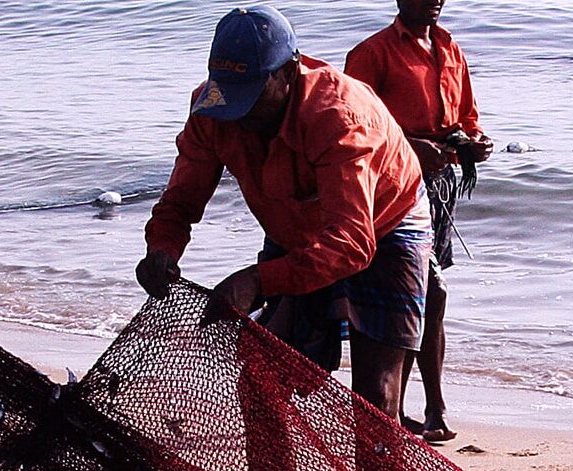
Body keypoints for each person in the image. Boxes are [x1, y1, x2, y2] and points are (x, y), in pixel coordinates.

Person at [137, 5, 430, 425]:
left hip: (385, 222)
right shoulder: (214, 108)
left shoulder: (339, 117)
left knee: (374, 396)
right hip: (295, 225)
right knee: (259, 381)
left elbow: (351, 243)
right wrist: (162, 249)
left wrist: (258, 280)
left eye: (252, 95)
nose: (238, 114)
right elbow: (181, 200)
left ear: (289, 73)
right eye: (230, 93)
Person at [346, 0, 493, 444]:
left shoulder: (449, 47)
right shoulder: (373, 53)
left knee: (427, 294)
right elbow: (352, 128)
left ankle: (422, 407)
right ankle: (424, 407)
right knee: (428, 293)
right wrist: (410, 146)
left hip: (441, 183)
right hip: (392, 185)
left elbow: (466, 115)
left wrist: (474, 141)